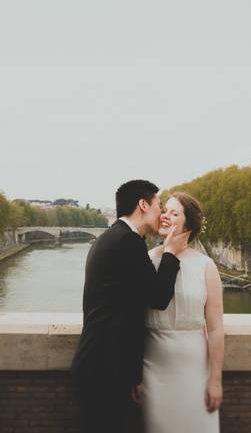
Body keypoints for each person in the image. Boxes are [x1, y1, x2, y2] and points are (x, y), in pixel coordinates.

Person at [70, 179, 190, 432]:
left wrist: (134, 374)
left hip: (100, 364)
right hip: (105, 370)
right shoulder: (128, 242)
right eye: (159, 206)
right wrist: (169, 252)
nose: (162, 214)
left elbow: (127, 307)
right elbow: (158, 297)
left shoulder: (112, 238)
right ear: (143, 205)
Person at [141, 191, 224, 433]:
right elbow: (134, 321)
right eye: (164, 210)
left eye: (173, 213)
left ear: (188, 223)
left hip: (195, 372)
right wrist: (135, 375)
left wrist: (216, 380)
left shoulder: (206, 267)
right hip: (152, 371)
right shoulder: (146, 260)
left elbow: (216, 328)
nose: (165, 216)